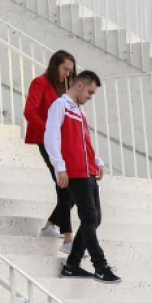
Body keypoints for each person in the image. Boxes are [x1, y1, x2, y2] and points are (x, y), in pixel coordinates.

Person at [45, 71, 121, 284]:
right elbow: (51, 137)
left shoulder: (79, 111)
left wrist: (97, 161)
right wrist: (60, 167)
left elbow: (84, 140)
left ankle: (71, 265)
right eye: (89, 92)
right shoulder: (60, 106)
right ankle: (100, 265)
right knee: (89, 218)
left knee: (95, 220)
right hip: (74, 172)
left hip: (87, 170)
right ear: (79, 85)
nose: (90, 96)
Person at [25, 50, 78, 254]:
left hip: (64, 143)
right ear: (54, 65)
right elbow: (30, 111)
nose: (67, 73)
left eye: (70, 71)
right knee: (65, 187)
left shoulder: (66, 87)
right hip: (46, 140)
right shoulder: (40, 83)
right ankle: (68, 238)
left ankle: (50, 227)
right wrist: (49, 131)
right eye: (65, 69)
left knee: (71, 189)